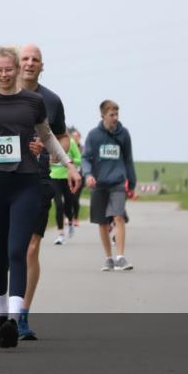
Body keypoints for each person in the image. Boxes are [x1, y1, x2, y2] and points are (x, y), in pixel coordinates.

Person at [0, 46, 76, 348]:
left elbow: (47, 136)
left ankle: (15, 318)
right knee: (0, 254)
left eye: (9, 69)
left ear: (17, 69)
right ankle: (2, 314)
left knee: (19, 250)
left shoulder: (34, 102)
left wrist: (68, 164)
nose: (4, 75)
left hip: (26, 183)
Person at [82, 100, 137, 272]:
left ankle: (120, 257)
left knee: (118, 217)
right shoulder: (93, 135)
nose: (115, 118)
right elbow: (86, 158)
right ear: (103, 116)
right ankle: (108, 258)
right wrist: (88, 175)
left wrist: (132, 182)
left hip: (118, 183)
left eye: (116, 114)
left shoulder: (124, 134)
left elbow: (128, 159)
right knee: (103, 222)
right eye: (111, 115)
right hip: (99, 184)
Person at [51, 128, 83, 241]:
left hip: (68, 179)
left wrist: (69, 162)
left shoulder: (71, 142)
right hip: (54, 177)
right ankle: (60, 234)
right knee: (59, 205)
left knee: (68, 205)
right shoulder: (49, 141)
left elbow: (79, 159)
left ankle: (70, 221)